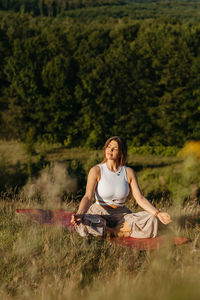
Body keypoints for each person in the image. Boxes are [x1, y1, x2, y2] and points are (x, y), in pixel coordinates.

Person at [71, 136, 171, 238]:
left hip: (121, 215)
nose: (110, 150)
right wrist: (80, 213)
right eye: (109, 147)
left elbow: (140, 198)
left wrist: (157, 213)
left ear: (121, 153)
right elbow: (88, 196)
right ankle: (115, 231)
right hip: (99, 212)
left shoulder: (128, 172)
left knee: (152, 219)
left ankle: (109, 230)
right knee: (83, 222)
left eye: (115, 148)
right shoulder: (96, 170)